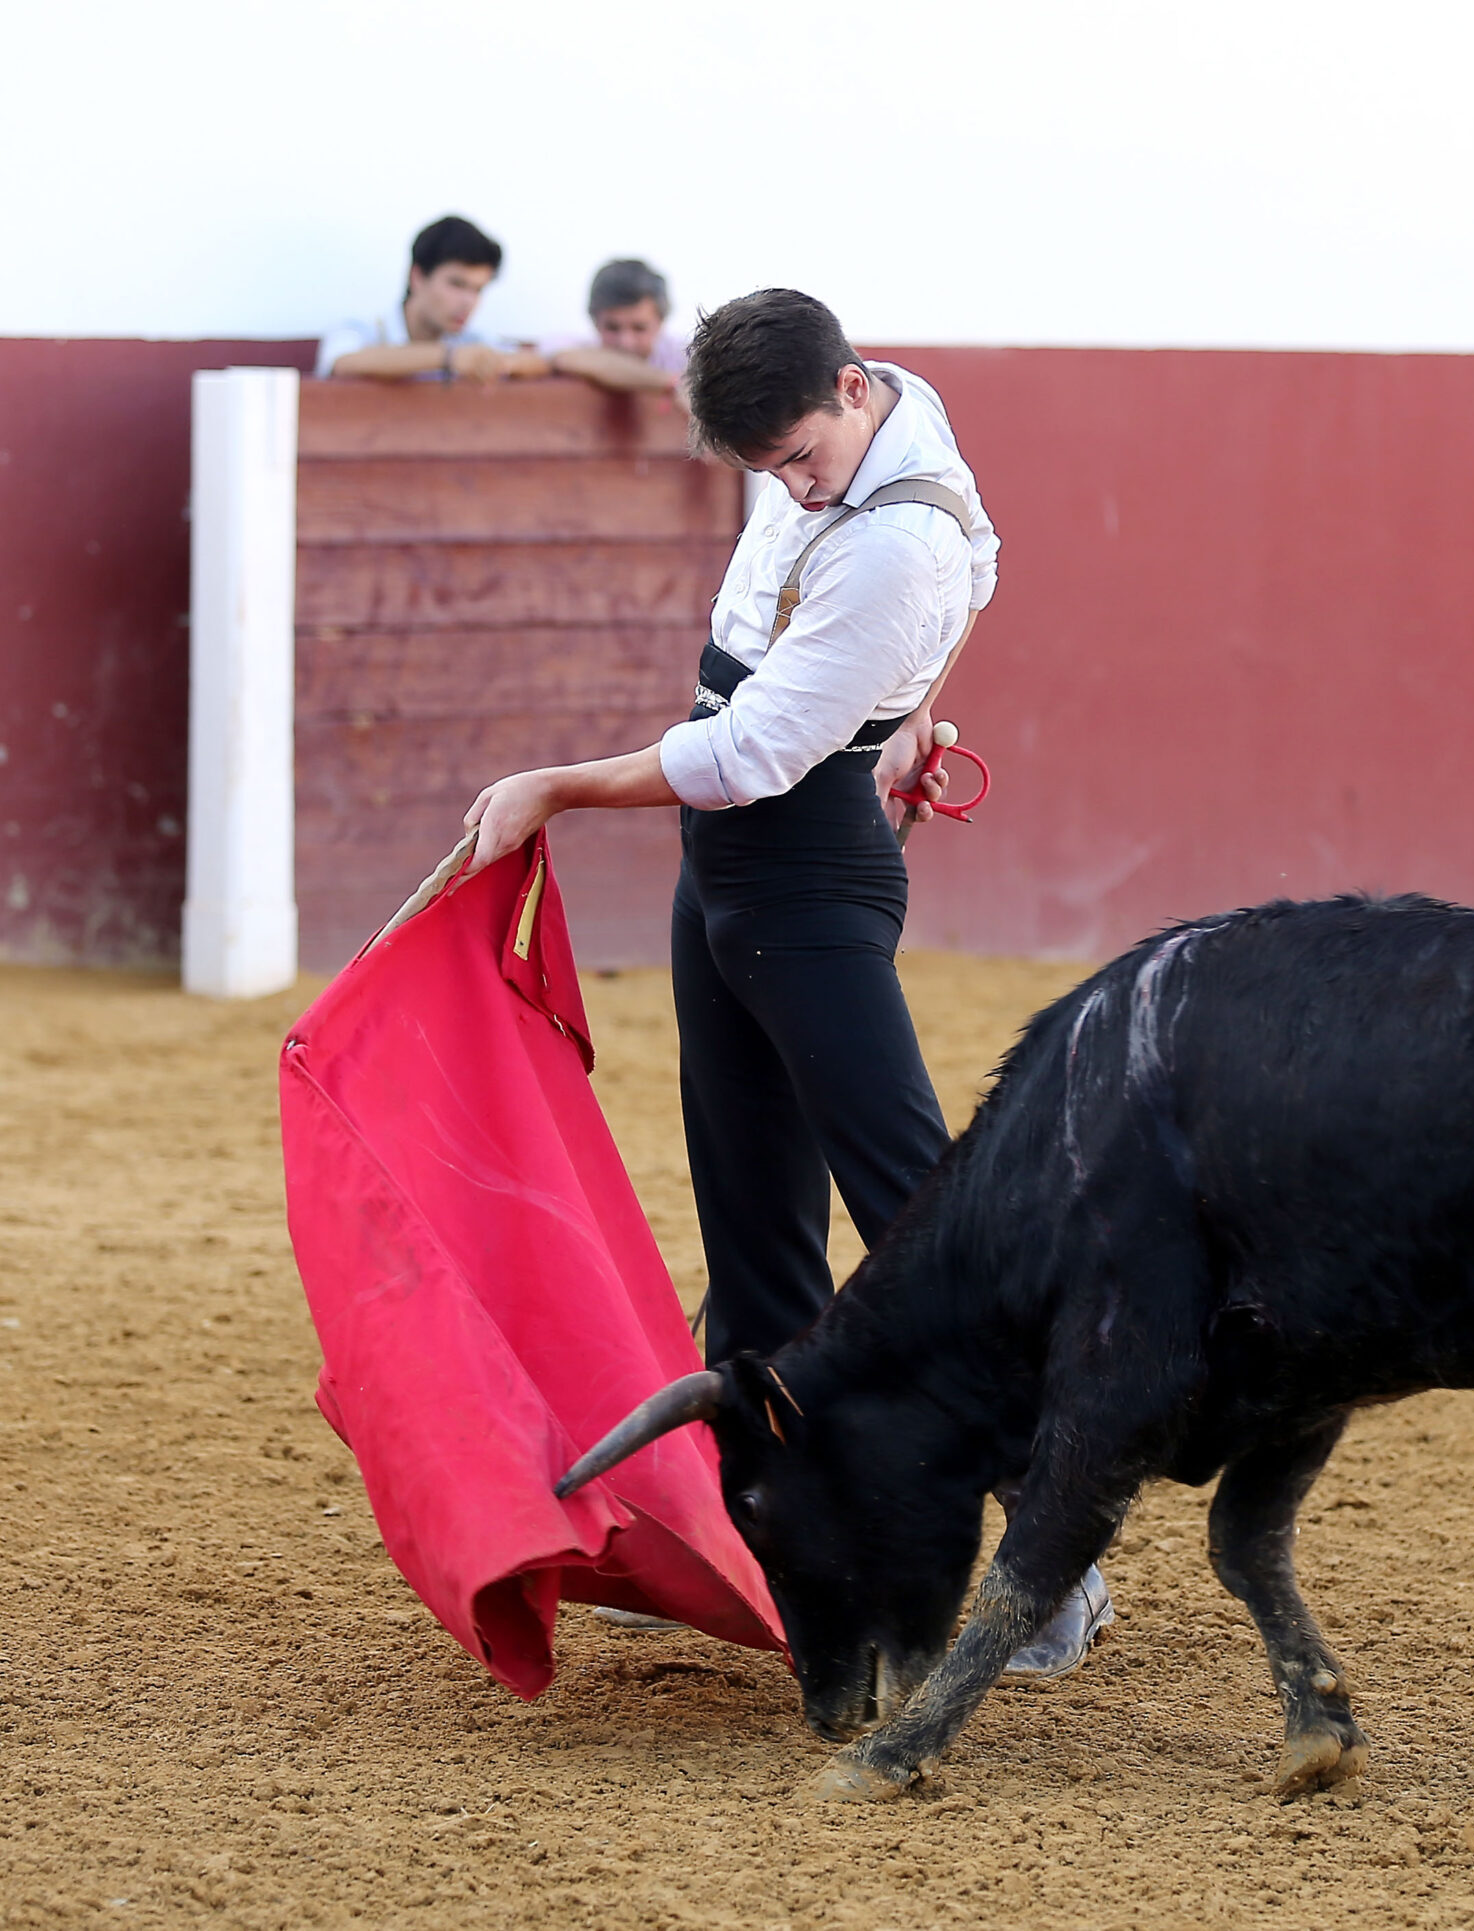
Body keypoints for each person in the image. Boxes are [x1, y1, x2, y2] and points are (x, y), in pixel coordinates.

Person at [457, 288, 1113, 1676]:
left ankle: (1053, 1551)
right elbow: (988, 564)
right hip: (742, 874)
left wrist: (558, 785)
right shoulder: (899, 413)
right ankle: (752, 1518)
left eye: (802, 458)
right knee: (753, 1211)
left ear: (852, 389)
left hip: (801, 868)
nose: (791, 486)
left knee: (915, 1209)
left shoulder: (893, 545)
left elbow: (747, 753)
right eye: (766, 470)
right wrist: (920, 704)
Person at [320, 215, 550, 383]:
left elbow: (537, 361)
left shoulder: (472, 340)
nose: (468, 302)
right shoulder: (362, 328)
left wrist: (501, 364)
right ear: (417, 277)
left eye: (478, 290)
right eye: (457, 284)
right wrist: (448, 358)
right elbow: (342, 363)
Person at [545, 259, 689, 396]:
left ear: (660, 323)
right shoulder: (574, 346)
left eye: (639, 328)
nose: (626, 342)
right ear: (595, 322)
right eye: (612, 328)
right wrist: (674, 383)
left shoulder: (686, 354)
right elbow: (561, 356)